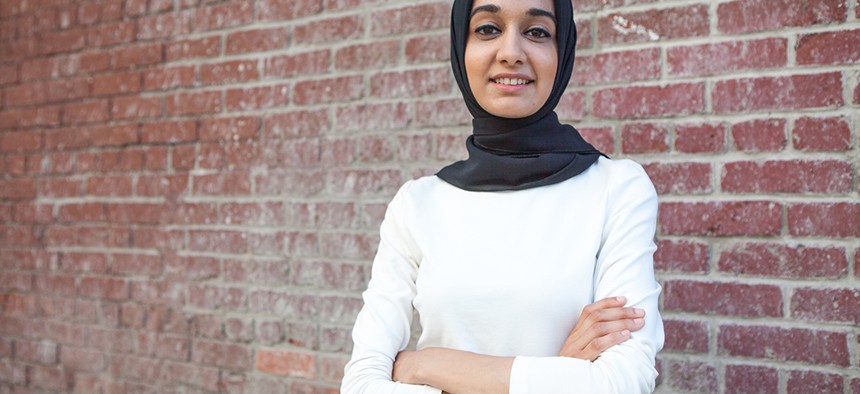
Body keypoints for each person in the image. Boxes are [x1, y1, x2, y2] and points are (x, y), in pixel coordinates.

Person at [341, 0, 664, 392]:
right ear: (461, 46)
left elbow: (622, 383)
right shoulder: (418, 204)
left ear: (562, 54)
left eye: (537, 32)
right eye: (488, 29)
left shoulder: (616, 189)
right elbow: (360, 383)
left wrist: (425, 365)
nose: (511, 53)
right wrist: (558, 372)